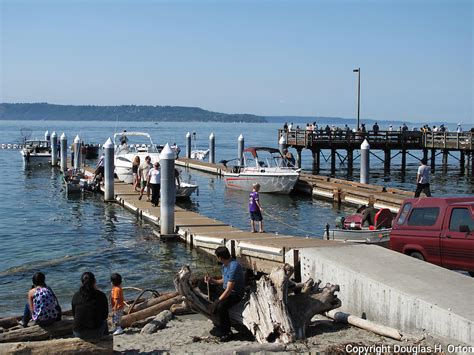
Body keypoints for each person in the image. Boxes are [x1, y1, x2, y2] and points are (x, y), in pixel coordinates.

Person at [204, 246, 245, 338]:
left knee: (221, 306)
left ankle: (226, 331)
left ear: (220, 257)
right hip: (226, 290)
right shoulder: (224, 265)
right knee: (201, 284)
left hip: (235, 294)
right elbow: (224, 280)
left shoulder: (234, 266)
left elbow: (229, 289)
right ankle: (216, 315)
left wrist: (218, 301)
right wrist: (212, 280)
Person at [71, 272, 109, 339]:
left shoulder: (76, 296)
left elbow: (74, 314)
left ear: (82, 282)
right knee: (104, 321)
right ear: (94, 281)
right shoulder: (101, 295)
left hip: (79, 333)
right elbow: (105, 315)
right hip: (96, 333)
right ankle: (105, 339)